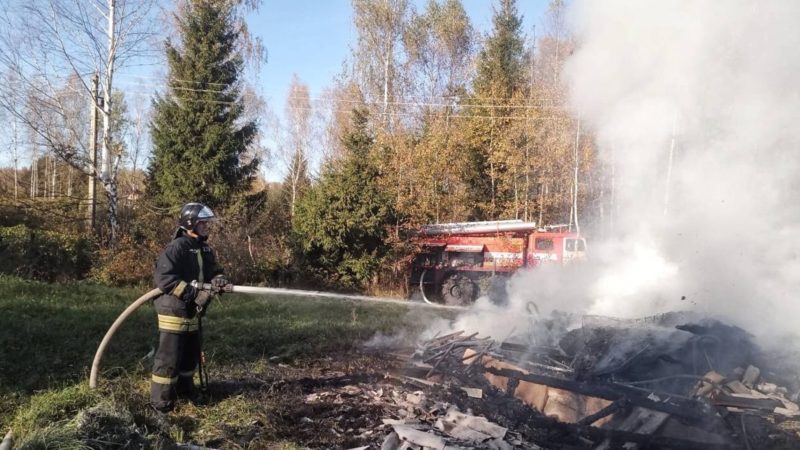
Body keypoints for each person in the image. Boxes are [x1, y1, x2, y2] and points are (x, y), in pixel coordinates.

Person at [150, 202, 229, 413]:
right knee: (169, 359)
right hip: (174, 309)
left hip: (192, 311)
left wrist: (219, 279)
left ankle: (185, 393)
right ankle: (161, 403)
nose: (207, 227)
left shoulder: (203, 248)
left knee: (189, 356)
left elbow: (215, 270)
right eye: (203, 223)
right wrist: (193, 294)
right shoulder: (177, 247)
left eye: (207, 223)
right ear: (190, 223)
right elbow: (164, 279)